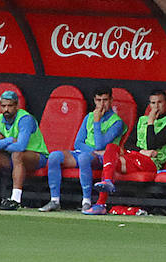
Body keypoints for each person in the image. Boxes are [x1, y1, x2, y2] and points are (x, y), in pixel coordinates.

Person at [41, 86, 126, 215]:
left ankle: (86, 201)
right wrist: (91, 150)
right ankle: (55, 200)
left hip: (103, 158)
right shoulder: (89, 117)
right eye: (98, 100)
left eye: (105, 100)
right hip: (87, 153)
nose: (102, 104)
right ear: (94, 101)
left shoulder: (117, 122)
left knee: (83, 158)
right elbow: (78, 143)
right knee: (54, 156)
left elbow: (100, 145)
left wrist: (97, 122)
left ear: (111, 100)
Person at [99, 87, 166, 194]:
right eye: (153, 103)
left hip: (151, 163)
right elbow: (128, 144)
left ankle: (101, 202)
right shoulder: (142, 120)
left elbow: (152, 145)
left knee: (109, 163)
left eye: (160, 102)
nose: (156, 106)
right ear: (149, 104)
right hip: (134, 157)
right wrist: (142, 151)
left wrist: (151, 123)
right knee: (111, 148)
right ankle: (107, 182)